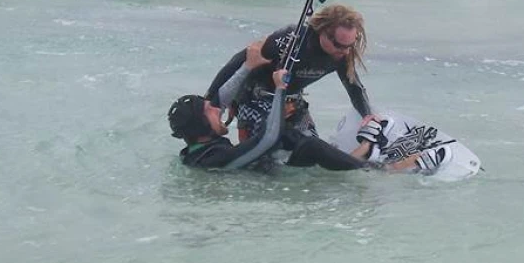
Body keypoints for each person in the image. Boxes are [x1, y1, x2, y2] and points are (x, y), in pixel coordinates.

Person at [204, 4, 371, 151]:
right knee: (265, 164)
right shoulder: (291, 39)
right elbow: (242, 60)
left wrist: (367, 115)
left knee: (311, 154)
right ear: (323, 31)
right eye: (338, 45)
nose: (344, 51)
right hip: (255, 102)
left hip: (292, 104)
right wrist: (212, 102)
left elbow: (354, 86)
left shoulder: (341, 54)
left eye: (350, 45)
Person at [166, 94, 444, 173]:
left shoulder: (198, 152)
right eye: (210, 110)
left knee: (291, 135)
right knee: (308, 147)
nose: (218, 109)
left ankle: (359, 153)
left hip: (271, 169)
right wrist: (277, 103)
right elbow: (259, 144)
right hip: (270, 182)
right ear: (201, 126)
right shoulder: (211, 158)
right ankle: (382, 167)